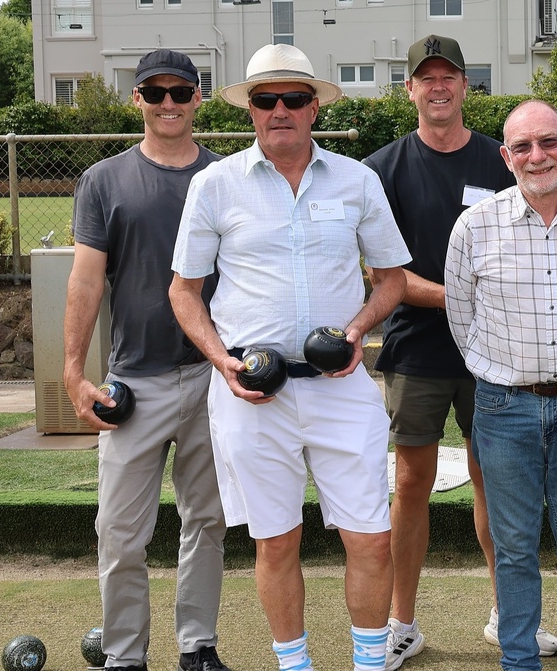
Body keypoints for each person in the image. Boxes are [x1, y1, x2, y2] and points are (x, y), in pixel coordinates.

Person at [169, 43, 411, 671]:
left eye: (294, 99)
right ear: (250, 110)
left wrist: (358, 328)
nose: (280, 110)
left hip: (341, 385)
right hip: (251, 390)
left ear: (314, 108)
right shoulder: (213, 185)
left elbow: (391, 278)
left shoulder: (359, 180)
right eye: (265, 99)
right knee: (276, 542)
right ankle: (294, 666)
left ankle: (368, 664)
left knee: (372, 540)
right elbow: (184, 290)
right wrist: (222, 361)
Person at [361, 35, 556, 669]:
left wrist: (480, 304)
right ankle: (401, 623)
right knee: (410, 482)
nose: (438, 87)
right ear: (411, 89)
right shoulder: (381, 169)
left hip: (495, 351)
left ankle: (509, 617)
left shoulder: (501, 161)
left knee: (493, 481)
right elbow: (378, 270)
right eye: (426, 78)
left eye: (450, 76)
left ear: (465, 87)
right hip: (416, 348)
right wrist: (456, 297)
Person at [64, 49, 233, 671]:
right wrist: (74, 373)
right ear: (136, 97)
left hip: (211, 377)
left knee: (206, 521)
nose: (169, 103)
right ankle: (125, 655)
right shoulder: (104, 180)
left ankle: (198, 647)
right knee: (119, 534)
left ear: (197, 97)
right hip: (133, 380)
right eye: (155, 92)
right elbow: (85, 282)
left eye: (180, 92)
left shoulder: (227, 176)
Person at [444, 100, 557, 671]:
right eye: (523, 146)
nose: (537, 156)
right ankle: (518, 661)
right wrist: (496, 374)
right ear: (506, 157)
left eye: (548, 143)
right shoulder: (474, 225)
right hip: (503, 408)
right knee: (514, 549)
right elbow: (461, 316)